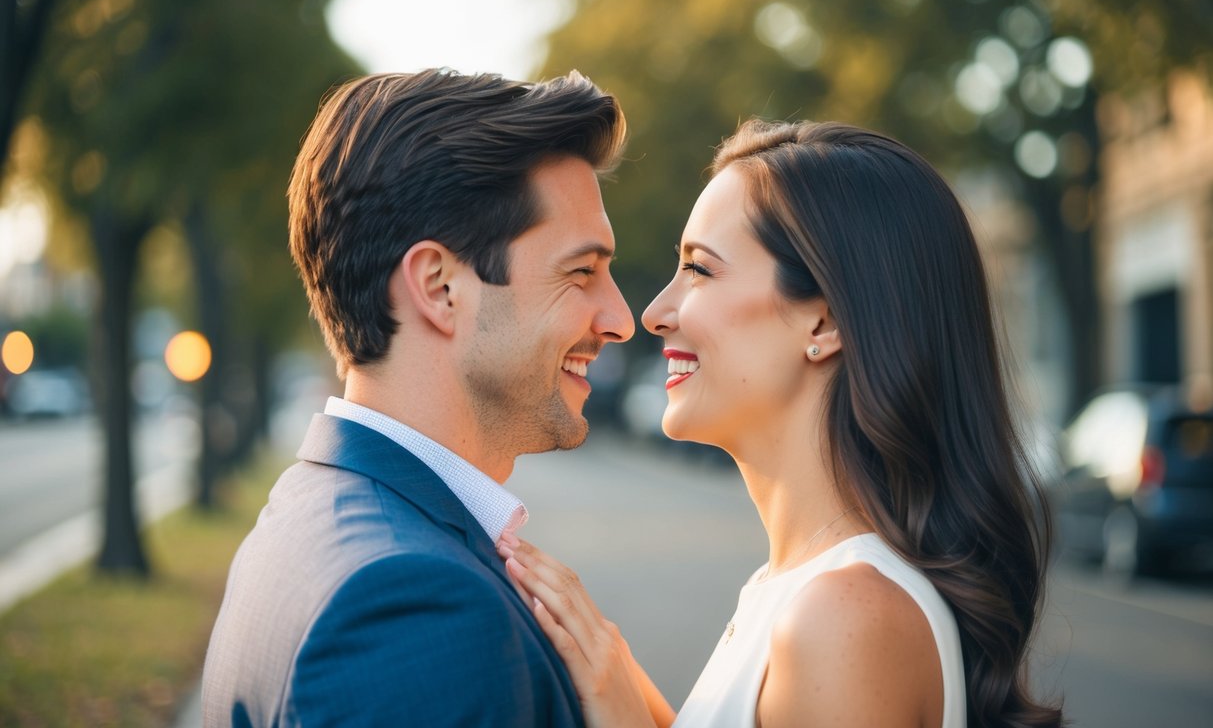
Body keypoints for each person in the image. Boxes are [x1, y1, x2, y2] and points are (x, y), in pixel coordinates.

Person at [500, 119, 1063, 728]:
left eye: (701, 270)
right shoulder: (797, 590)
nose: (656, 313)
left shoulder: (843, 617)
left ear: (823, 324)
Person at [201, 68, 635, 727]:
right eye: (581, 272)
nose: (619, 318)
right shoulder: (413, 609)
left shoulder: (307, 513)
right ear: (439, 286)